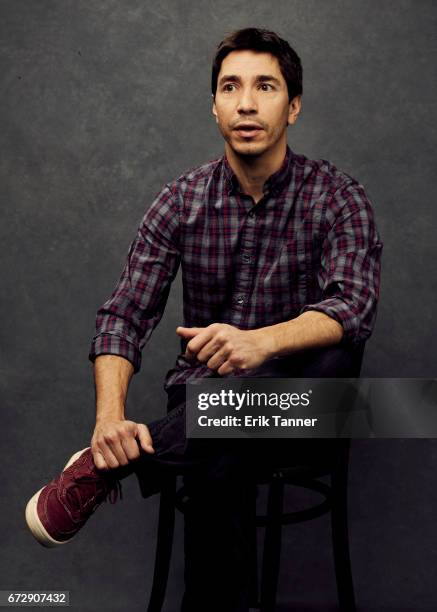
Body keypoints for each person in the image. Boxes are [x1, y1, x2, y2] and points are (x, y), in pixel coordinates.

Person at [24, 27, 382, 611]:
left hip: (312, 412)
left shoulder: (338, 197)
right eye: (230, 87)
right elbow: (123, 315)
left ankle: (112, 471)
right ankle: (139, 451)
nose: (246, 102)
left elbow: (354, 304)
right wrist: (110, 420)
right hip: (205, 416)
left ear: (292, 105)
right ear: (213, 106)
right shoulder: (179, 201)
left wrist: (261, 344)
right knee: (224, 442)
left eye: (265, 87)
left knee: (336, 355)